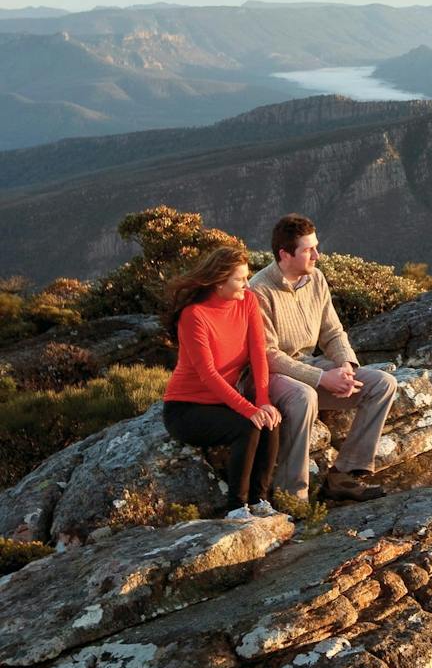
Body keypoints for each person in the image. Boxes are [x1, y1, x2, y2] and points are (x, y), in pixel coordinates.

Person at [249, 213, 395, 503]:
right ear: (284, 254)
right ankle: (293, 496)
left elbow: (332, 331)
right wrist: (322, 378)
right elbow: (268, 355)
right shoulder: (259, 290)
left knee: (383, 384)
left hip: (311, 365)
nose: (317, 255)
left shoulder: (315, 278)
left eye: (316, 246)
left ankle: (343, 475)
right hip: (277, 376)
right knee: (306, 397)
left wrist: (345, 366)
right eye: (308, 249)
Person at [161, 245, 282, 520]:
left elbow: (258, 355)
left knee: (270, 420)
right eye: (240, 278)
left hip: (221, 402)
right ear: (218, 282)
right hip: (186, 409)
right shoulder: (194, 316)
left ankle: (260, 500)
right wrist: (249, 409)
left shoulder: (247, 301)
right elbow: (208, 375)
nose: (247, 283)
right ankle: (237, 508)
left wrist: (262, 401)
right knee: (248, 426)